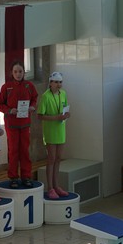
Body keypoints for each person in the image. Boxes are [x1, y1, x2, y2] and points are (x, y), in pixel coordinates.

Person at [0, 60, 39, 188]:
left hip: (25, 124)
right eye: (15, 72)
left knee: (24, 150)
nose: (18, 74)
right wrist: (9, 110)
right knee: (13, 151)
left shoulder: (29, 86)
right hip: (11, 124)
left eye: (20, 71)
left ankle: (26, 176)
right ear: (12, 73)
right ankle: (13, 177)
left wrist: (32, 107)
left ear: (24, 72)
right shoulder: (6, 87)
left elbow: (34, 98)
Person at [37, 71, 71, 199]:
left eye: (60, 82)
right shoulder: (45, 96)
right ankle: (50, 188)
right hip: (50, 131)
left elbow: (65, 109)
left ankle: (57, 186)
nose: (59, 84)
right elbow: (40, 116)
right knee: (51, 159)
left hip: (61, 130)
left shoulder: (63, 94)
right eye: (56, 82)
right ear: (50, 83)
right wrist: (55, 117)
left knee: (58, 158)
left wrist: (66, 115)